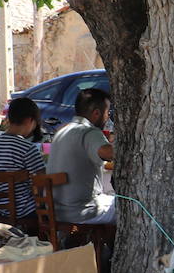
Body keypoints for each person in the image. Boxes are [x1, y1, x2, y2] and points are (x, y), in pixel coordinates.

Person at [46, 87, 119, 225]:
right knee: (132, 207)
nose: (108, 117)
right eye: (107, 112)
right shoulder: (89, 132)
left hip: (56, 210)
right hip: (81, 211)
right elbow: (109, 153)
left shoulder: (62, 131)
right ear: (97, 113)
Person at [0, 97, 47, 219]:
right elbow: (41, 181)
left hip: (0, 208)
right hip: (26, 210)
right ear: (29, 120)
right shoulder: (28, 148)